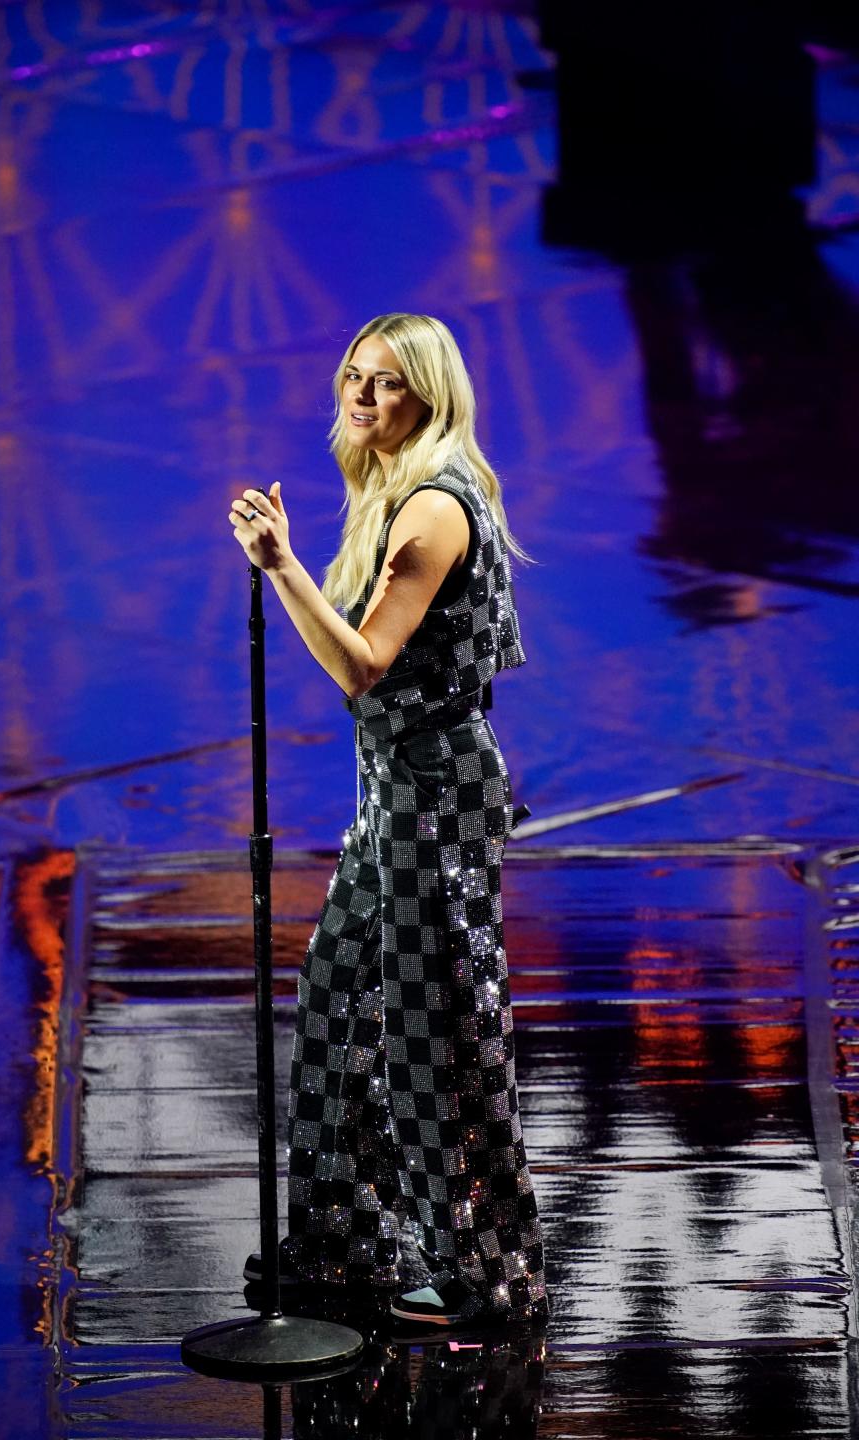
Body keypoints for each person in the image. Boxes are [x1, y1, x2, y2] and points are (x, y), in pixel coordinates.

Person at [228, 312, 546, 1329]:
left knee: (427, 1034)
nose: (362, 398)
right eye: (354, 378)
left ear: (429, 396)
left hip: (430, 806)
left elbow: (363, 667)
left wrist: (280, 568)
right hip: (394, 801)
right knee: (334, 1006)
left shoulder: (436, 513)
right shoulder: (395, 494)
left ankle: (486, 1274)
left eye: (388, 384)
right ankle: (345, 1239)